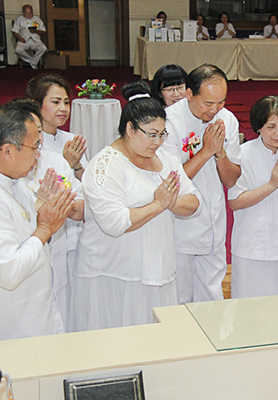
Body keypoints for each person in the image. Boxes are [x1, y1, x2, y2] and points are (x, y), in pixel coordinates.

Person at [73, 82, 200, 331]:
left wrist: (169, 201)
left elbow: (195, 202)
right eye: (151, 134)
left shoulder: (166, 159)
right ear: (130, 129)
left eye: (162, 134)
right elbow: (114, 223)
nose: (158, 142)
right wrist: (158, 204)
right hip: (114, 272)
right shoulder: (107, 164)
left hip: (157, 266)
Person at [0, 101, 75, 344]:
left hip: (29, 316)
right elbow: (9, 272)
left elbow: (16, 225)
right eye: (35, 147)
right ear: (7, 151)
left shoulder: (3, 177)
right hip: (7, 328)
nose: (38, 155)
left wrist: (41, 205)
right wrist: (45, 228)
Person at [163, 64, 241, 303]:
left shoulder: (227, 119)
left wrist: (220, 154)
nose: (215, 109)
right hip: (180, 226)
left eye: (221, 102)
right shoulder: (168, 122)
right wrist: (206, 151)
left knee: (212, 294)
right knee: (179, 296)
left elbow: (231, 179)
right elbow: (171, 183)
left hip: (214, 220)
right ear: (189, 94)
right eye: (208, 103)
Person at [14, 98, 84, 330]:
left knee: (59, 324)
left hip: (56, 261)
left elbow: (81, 205)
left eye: (41, 132)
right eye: (34, 136)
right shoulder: (7, 172)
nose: (41, 140)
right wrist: (41, 205)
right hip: (23, 273)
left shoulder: (55, 162)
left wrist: (66, 205)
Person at [228, 96, 278, 298]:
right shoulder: (243, 154)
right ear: (258, 127)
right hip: (250, 246)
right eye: (271, 127)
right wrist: (271, 185)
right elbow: (235, 201)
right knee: (248, 309)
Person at [26, 74, 88, 181]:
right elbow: (35, 185)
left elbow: (88, 183)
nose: (63, 108)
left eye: (66, 102)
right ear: (37, 104)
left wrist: (77, 165)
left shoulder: (71, 140)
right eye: (56, 102)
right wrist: (67, 163)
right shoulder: (29, 143)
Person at [11, 4, 47, 69]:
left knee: (43, 48)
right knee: (17, 50)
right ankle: (32, 61)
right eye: (27, 13)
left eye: (30, 12)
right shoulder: (19, 19)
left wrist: (36, 31)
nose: (29, 14)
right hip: (24, 40)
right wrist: (20, 38)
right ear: (23, 12)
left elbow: (44, 31)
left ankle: (33, 62)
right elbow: (14, 31)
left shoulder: (37, 20)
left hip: (35, 40)